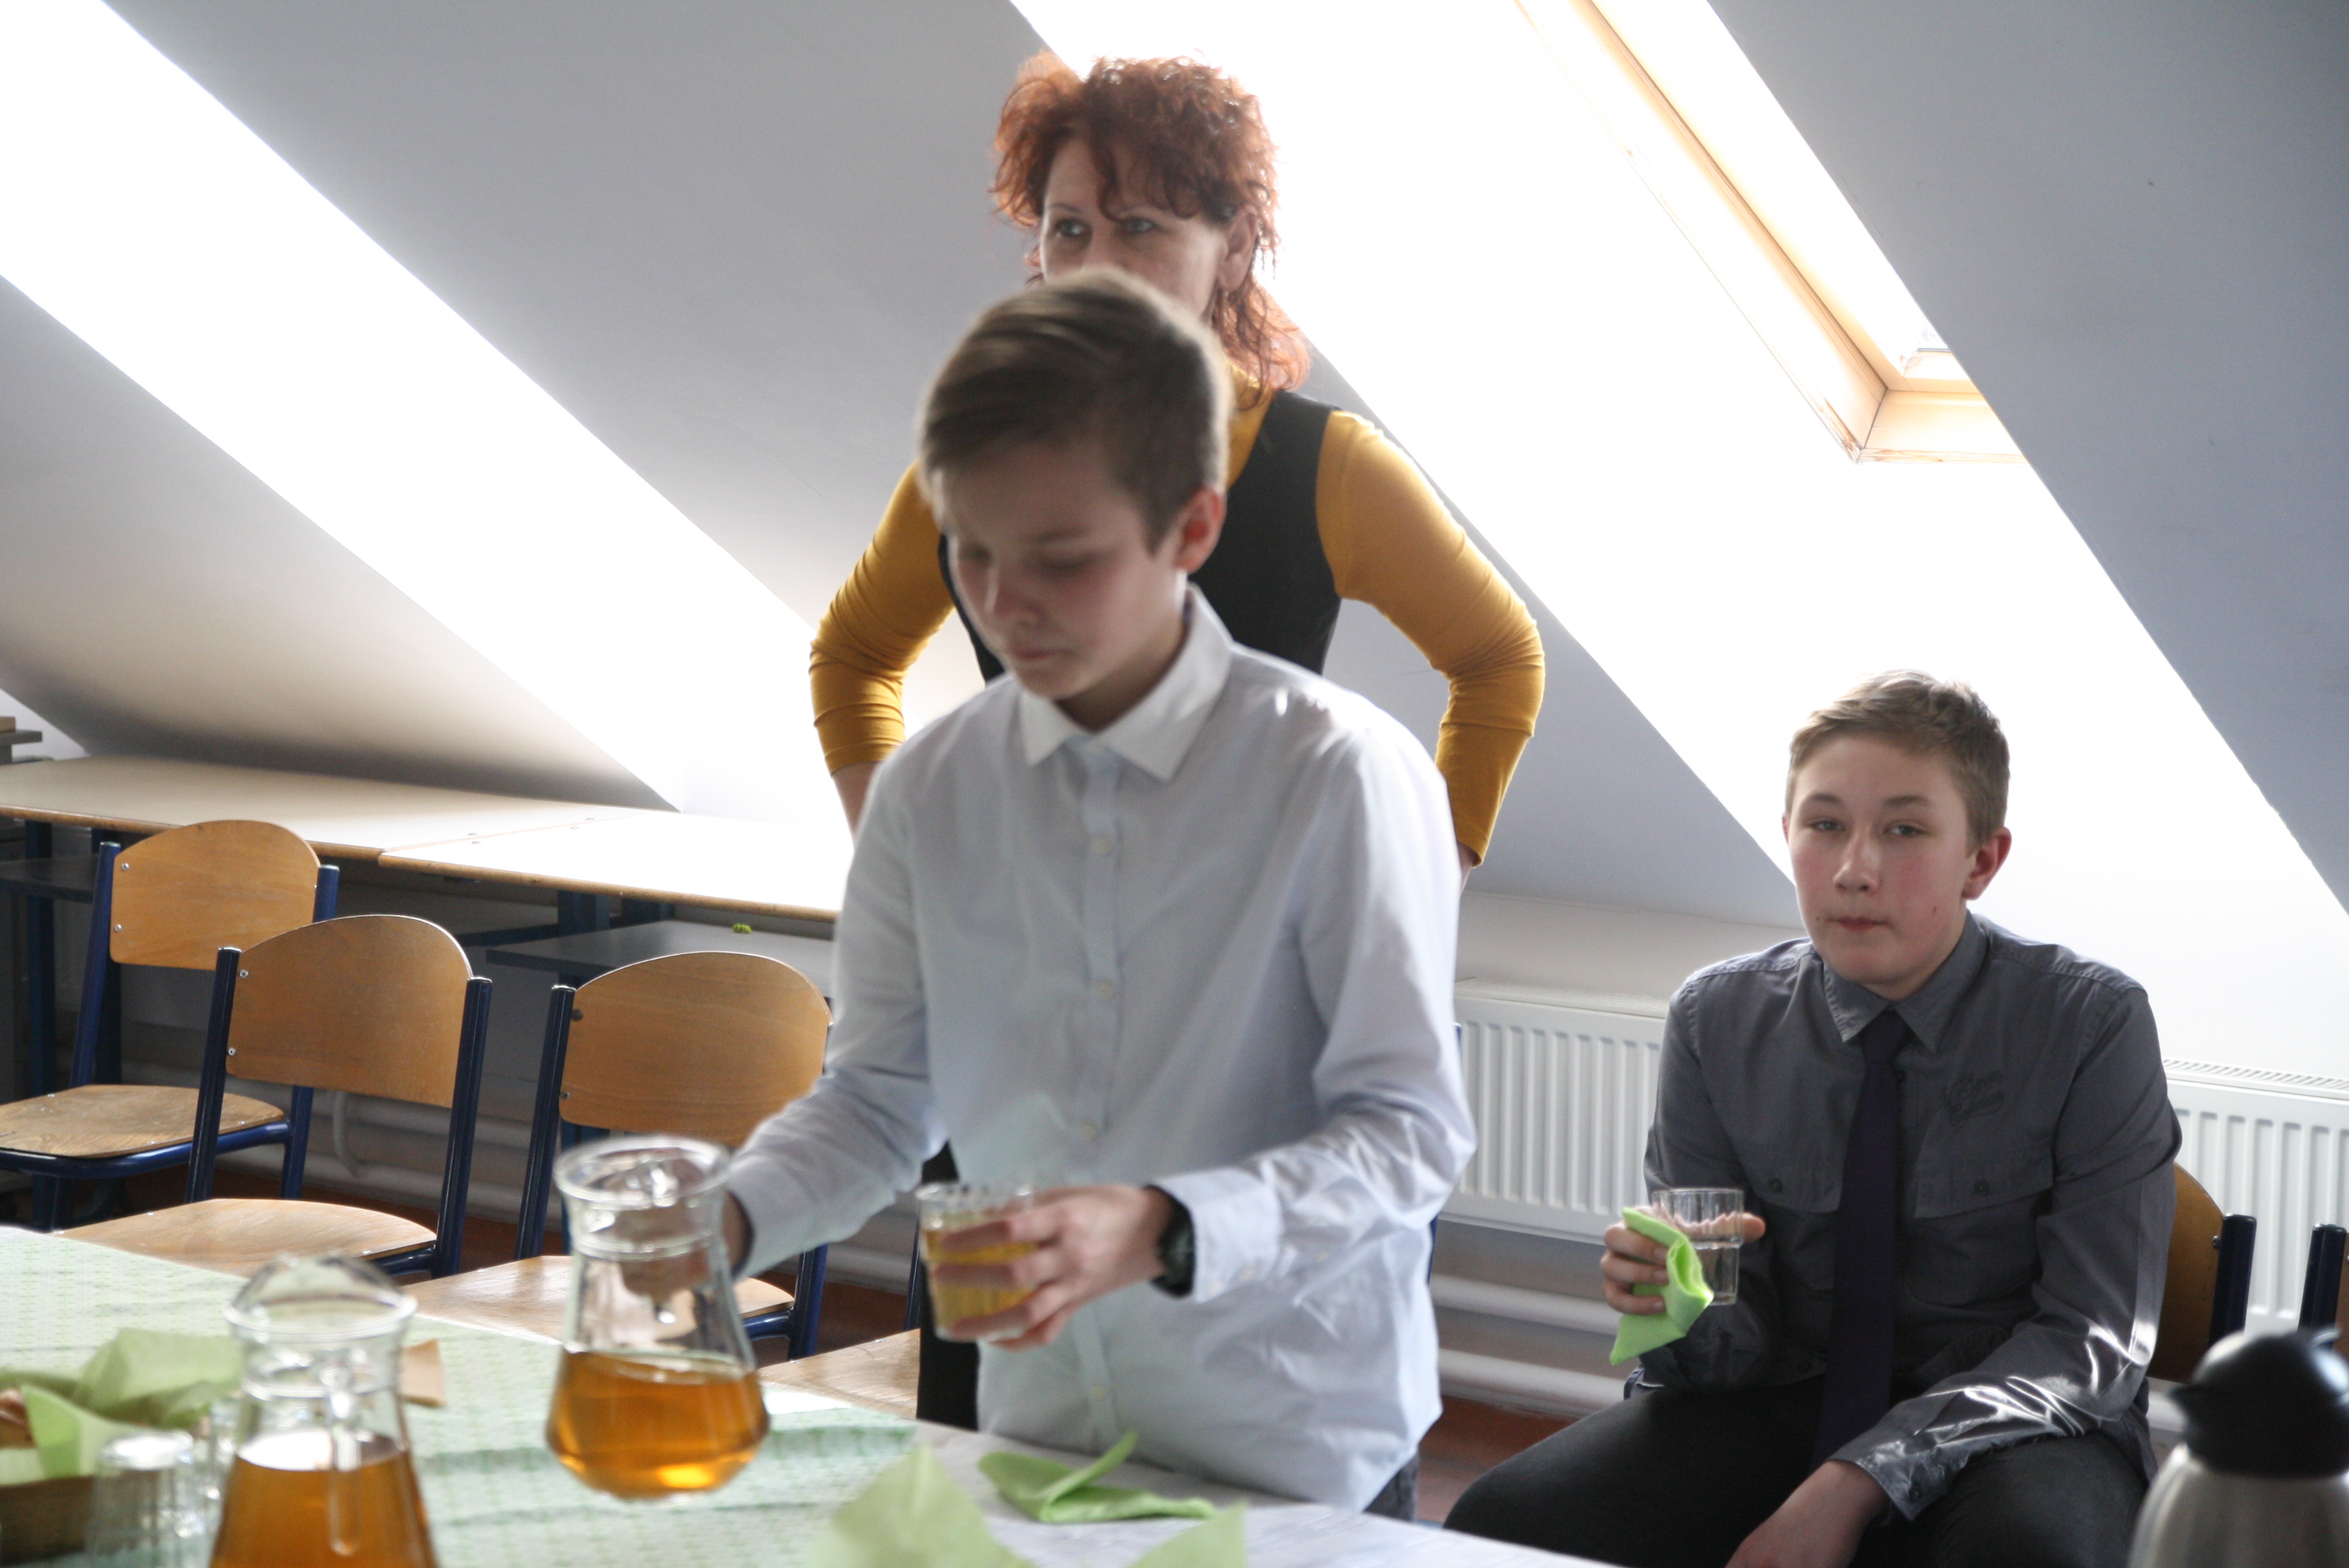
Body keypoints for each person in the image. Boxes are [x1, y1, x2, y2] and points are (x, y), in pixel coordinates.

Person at [816, 51, 1543, 1430]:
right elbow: (853, 658)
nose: (1096, 264)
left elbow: (1497, 657)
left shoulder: (1324, 466)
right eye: (1068, 227)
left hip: (1244, 1026)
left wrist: (1433, 870)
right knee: (1002, 1420)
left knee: (1243, 1406)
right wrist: (906, 865)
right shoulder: (985, 469)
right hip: (1033, 1016)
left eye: (1143, 226)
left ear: (1233, 248)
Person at [726, 269, 1475, 1515]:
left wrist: (1162, 1225)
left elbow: (1408, 1135)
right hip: (1040, 1432)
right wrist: (721, 1222)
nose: (1002, 606)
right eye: (971, 551)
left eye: (1062, 561)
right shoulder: (928, 790)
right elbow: (877, 1099)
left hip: (1294, 1446)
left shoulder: (1336, 774)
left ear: (1193, 528)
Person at [1446, 673, 2178, 1568]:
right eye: (1824, 824)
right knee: (1503, 1520)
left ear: (1981, 860)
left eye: (1903, 830)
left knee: (2029, 1554)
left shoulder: (2089, 1023)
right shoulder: (1716, 1019)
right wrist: (1673, 1305)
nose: (1852, 870)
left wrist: (1859, 1476)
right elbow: (1730, 1347)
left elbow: (2088, 1341)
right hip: (1786, 1391)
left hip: (2015, 1418)